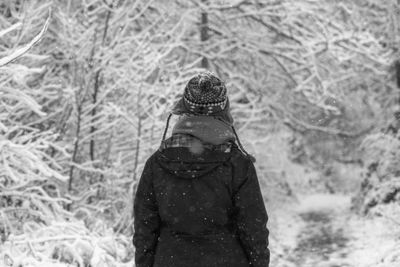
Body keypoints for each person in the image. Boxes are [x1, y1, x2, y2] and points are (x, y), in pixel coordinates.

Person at [133, 71, 270, 267]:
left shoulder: (157, 163)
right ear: (224, 111)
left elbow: (144, 231)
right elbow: (253, 228)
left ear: (183, 109)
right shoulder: (237, 164)